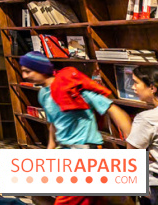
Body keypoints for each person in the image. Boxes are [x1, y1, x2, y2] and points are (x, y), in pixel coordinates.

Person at [20, 51, 132, 205]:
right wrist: (49, 151)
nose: (24, 76)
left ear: (41, 69)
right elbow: (53, 124)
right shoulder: (43, 94)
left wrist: (132, 146)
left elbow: (112, 109)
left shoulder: (73, 88)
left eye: (28, 71)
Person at [126, 65, 158, 204]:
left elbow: (132, 157)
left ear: (152, 87)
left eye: (136, 82)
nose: (133, 87)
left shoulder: (146, 118)